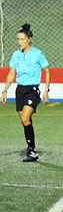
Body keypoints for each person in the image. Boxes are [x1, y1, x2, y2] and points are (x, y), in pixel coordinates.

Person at [1, 23, 51, 162]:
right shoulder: (16, 55)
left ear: (29, 39)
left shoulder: (37, 54)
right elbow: (11, 73)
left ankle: (33, 152)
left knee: (25, 119)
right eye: (18, 39)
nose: (19, 42)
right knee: (25, 121)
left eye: (22, 39)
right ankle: (31, 148)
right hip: (20, 91)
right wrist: (5, 90)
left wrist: (46, 90)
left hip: (32, 91)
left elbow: (47, 71)